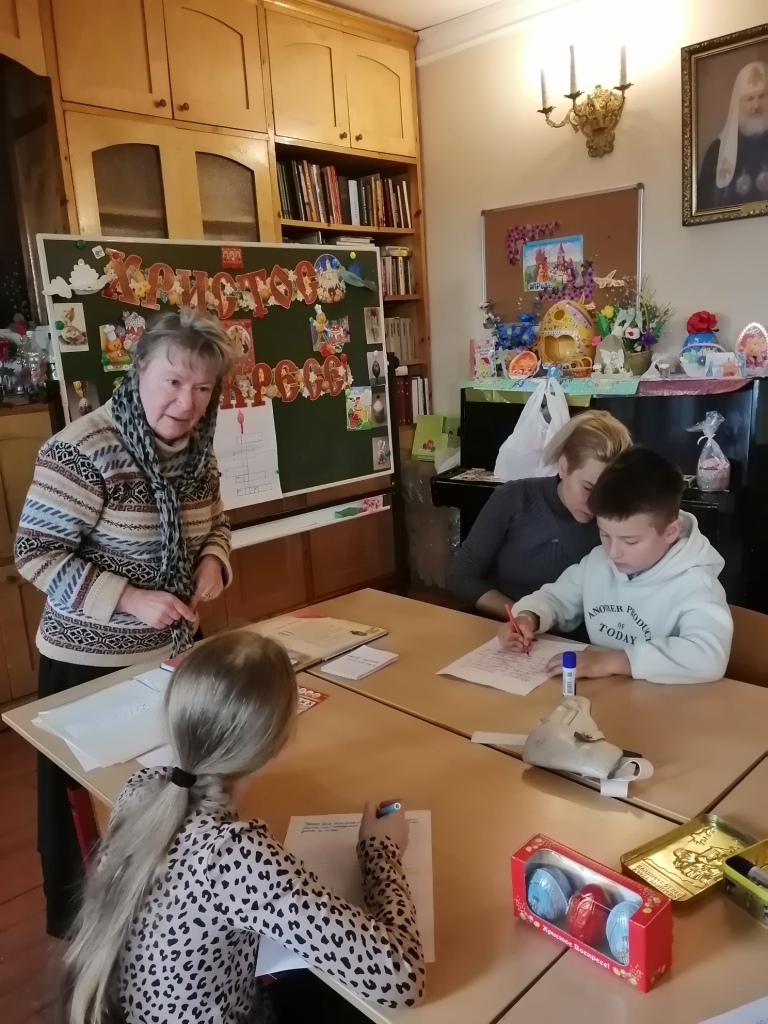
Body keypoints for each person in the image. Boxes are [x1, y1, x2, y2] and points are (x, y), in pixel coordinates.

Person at [62, 632, 425, 1024]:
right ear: (279, 743)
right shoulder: (233, 855)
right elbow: (400, 980)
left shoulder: (142, 787)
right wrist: (381, 852)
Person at [15, 307, 238, 939]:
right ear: (138, 371)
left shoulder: (198, 453)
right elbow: (35, 554)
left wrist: (214, 559)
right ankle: (100, 939)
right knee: (99, 814)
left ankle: (173, 921)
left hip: (173, 654)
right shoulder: (83, 449)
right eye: (174, 382)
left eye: (202, 388)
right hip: (89, 668)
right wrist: (131, 598)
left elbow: (217, 523)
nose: (187, 403)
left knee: (176, 796)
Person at [500, 448, 733, 685]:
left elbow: (708, 655)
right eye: (604, 534)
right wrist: (528, 617)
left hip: (663, 701)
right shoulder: (599, 562)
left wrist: (611, 662)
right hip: (604, 693)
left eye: (630, 541)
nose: (613, 552)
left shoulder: (695, 584)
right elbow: (556, 599)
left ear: (671, 532)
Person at [450, 410, 631, 618]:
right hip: (508, 627)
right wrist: (525, 618)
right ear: (563, 467)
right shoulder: (514, 498)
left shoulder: (625, 519)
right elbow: (462, 576)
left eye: (609, 492)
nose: (596, 506)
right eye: (588, 488)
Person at [697, 60, 768, 210]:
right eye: (749, 99)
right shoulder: (716, 152)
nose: (756, 105)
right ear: (739, 104)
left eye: (762, 96)